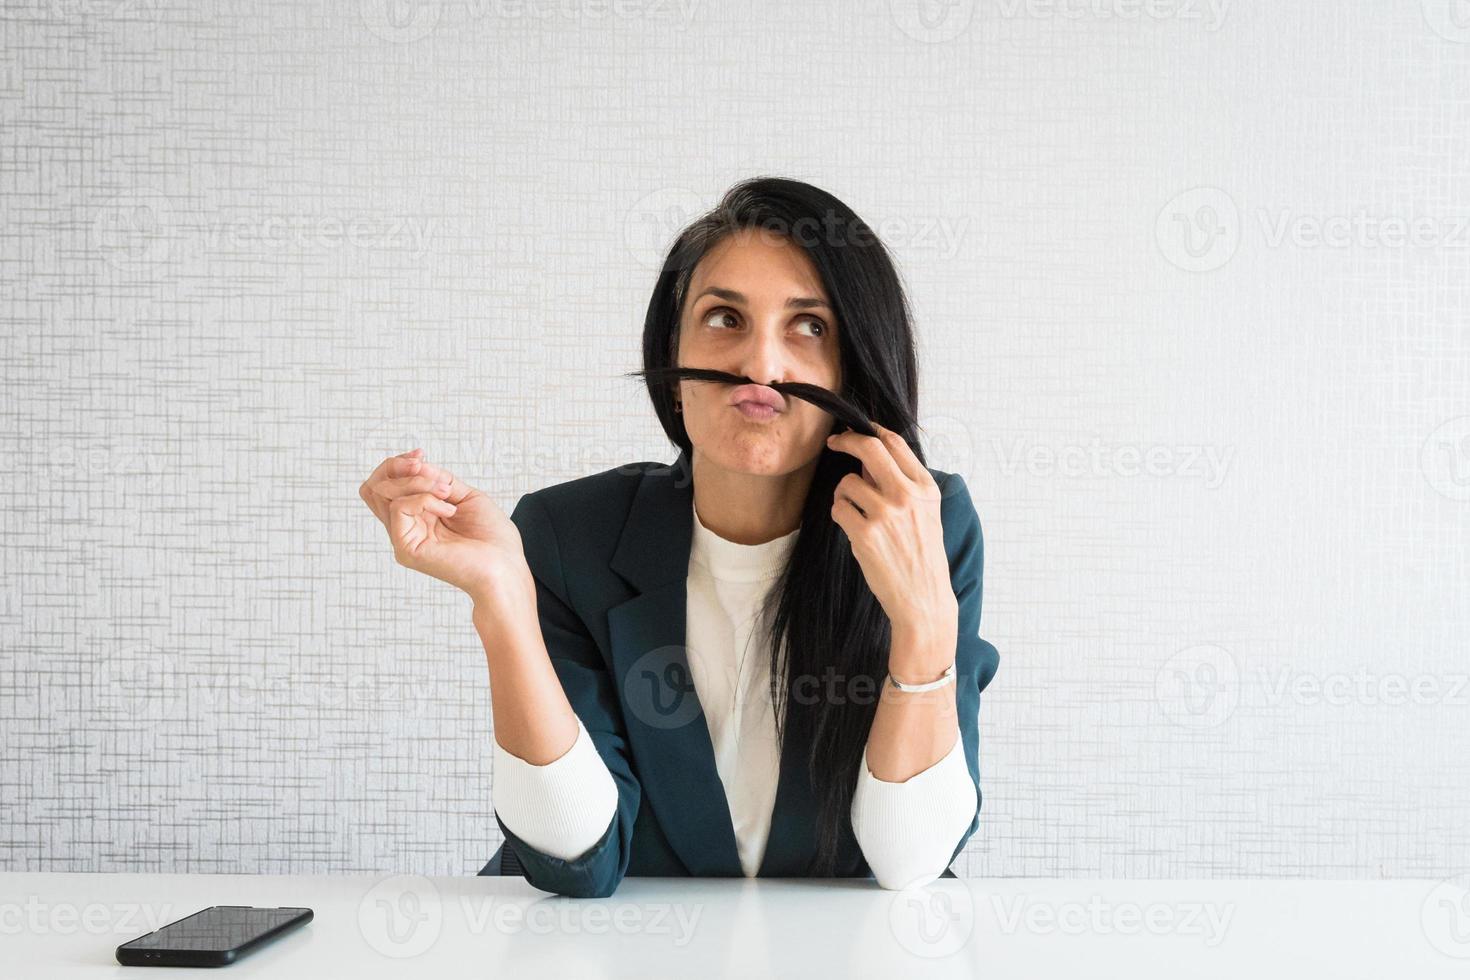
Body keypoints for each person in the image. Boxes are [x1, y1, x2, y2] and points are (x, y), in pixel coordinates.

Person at [358, 176, 1000, 898]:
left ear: (853, 366)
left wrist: (925, 621)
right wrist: (503, 601)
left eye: (809, 326)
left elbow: (909, 862)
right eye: (725, 318)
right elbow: (577, 858)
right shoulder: (567, 534)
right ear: (671, 367)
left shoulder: (925, 520)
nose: (761, 366)